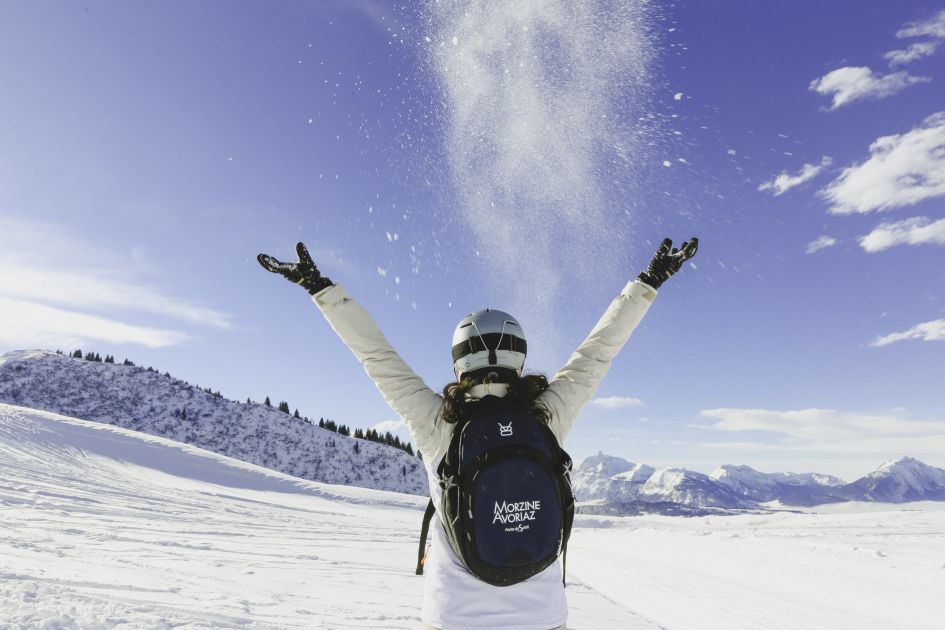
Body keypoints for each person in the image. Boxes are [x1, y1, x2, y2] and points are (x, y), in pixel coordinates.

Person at [257, 237, 698, 630]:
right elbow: (598, 351)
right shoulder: (549, 414)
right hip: (542, 615)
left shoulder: (437, 421)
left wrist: (320, 288)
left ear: (458, 362)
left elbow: (376, 354)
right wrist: (648, 281)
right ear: (518, 358)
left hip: (454, 615)